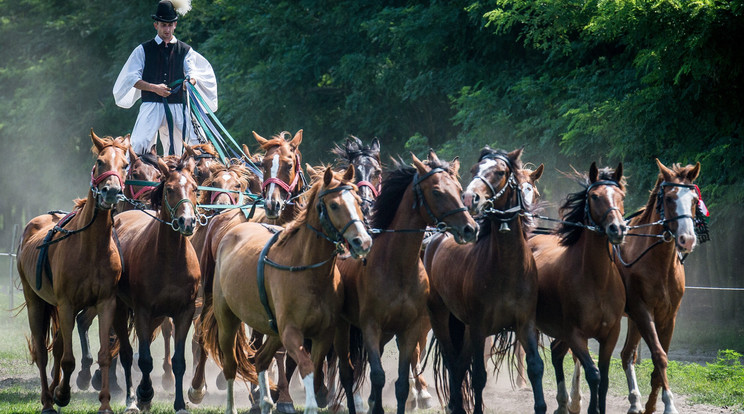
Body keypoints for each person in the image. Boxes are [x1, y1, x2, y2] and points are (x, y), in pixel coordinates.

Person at [113, 0, 218, 156]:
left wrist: (189, 82)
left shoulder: (186, 50)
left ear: (175, 24)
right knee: (139, 146)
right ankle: (128, 178)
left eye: (170, 25)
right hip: (151, 105)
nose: (167, 29)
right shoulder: (143, 50)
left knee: (196, 147)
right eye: (163, 25)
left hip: (178, 106)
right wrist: (154, 88)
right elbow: (131, 78)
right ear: (156, 25)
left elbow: (194, 73)